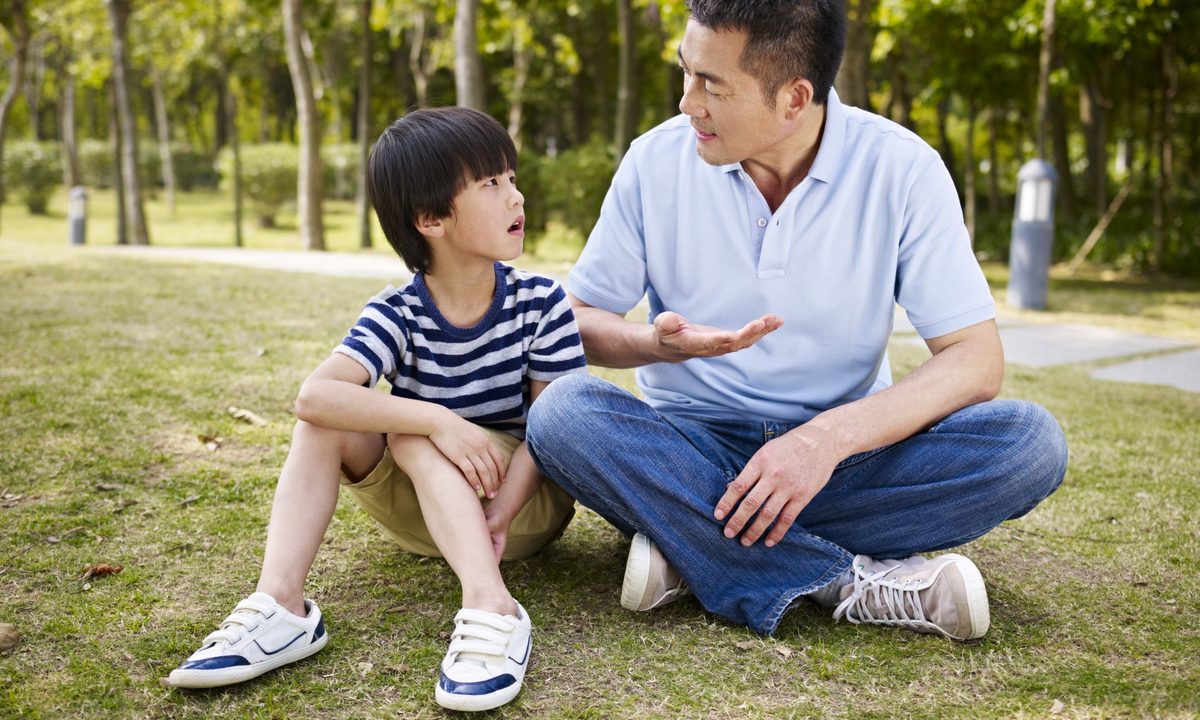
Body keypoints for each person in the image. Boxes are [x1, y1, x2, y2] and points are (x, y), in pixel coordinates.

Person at [525, 0, 1068, 642]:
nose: (687, 102)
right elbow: (579, 321)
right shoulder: (654, 162)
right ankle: (844, 580)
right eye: (686, 72)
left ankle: (691, 542)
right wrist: (655, 345)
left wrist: (823, 442)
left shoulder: (903, 169)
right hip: (691, 448)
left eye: (712, 85)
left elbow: (975, 360)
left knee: (1030, 445)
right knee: (563, 413)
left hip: (846, 459)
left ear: (794, 98)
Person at [166, 107, 587, 712]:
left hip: (519, 510)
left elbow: (555, 428)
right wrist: (437, 419)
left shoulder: (541, 301)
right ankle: (281, 605)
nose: (516, 196)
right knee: (344, 423)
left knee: (406, 429)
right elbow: (314, 396)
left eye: (512, 178)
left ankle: (491, 604)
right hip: (424, 515)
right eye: (491, 183)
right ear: (430, 219)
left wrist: (497, 515)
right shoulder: (398, 311)